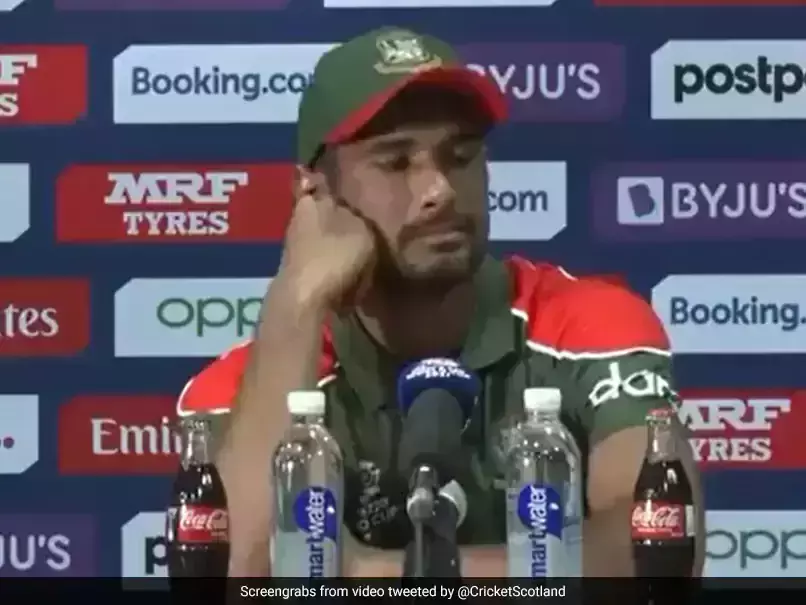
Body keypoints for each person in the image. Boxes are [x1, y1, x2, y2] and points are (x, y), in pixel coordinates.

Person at [175, 26, 705, 578]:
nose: (441, 191)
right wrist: (296, 300)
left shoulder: (590, 325)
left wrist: (365, 572)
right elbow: (231, 575)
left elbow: (658, 554)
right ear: (315, 192)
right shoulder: (240, 390)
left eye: (460, 156)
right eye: (396, 163)